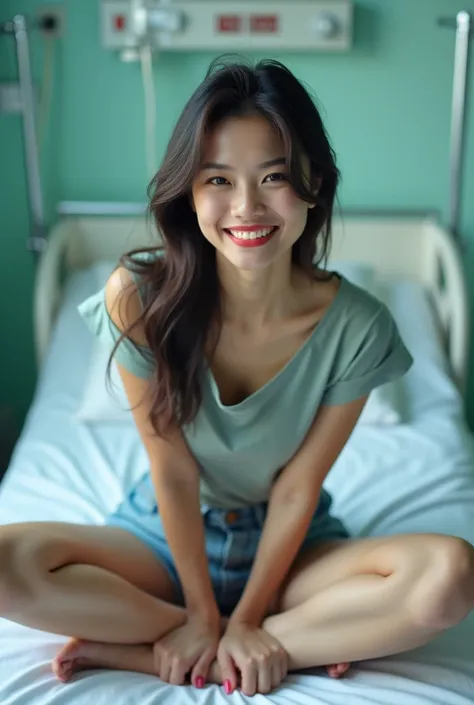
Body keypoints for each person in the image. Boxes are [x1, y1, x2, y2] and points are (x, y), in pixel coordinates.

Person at [1, 57, 474, 699]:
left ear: (314, 184)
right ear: (189, 192)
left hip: (294, 547)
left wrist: (250, 617)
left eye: (273, 177)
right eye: (218, 178)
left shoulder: (359, 325)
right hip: (163, 538)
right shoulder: (137, 298)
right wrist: (200, 614)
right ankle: (247, 639)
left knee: (449, 574)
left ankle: (194, 646)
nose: (246, 206)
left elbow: (297, 488)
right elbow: (173, 470)